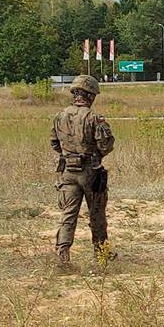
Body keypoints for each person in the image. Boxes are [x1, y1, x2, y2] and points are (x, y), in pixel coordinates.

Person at [51, 74, 115, 270]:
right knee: (96, 214)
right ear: (91, 95)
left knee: (68, 214)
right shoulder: (94, 118)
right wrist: (96, 154)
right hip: (90, 171)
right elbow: (106, 144)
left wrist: (69, 154)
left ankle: (63, 255)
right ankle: (101, 254)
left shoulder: (60, 116)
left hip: (67, 171)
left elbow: (54, 143)